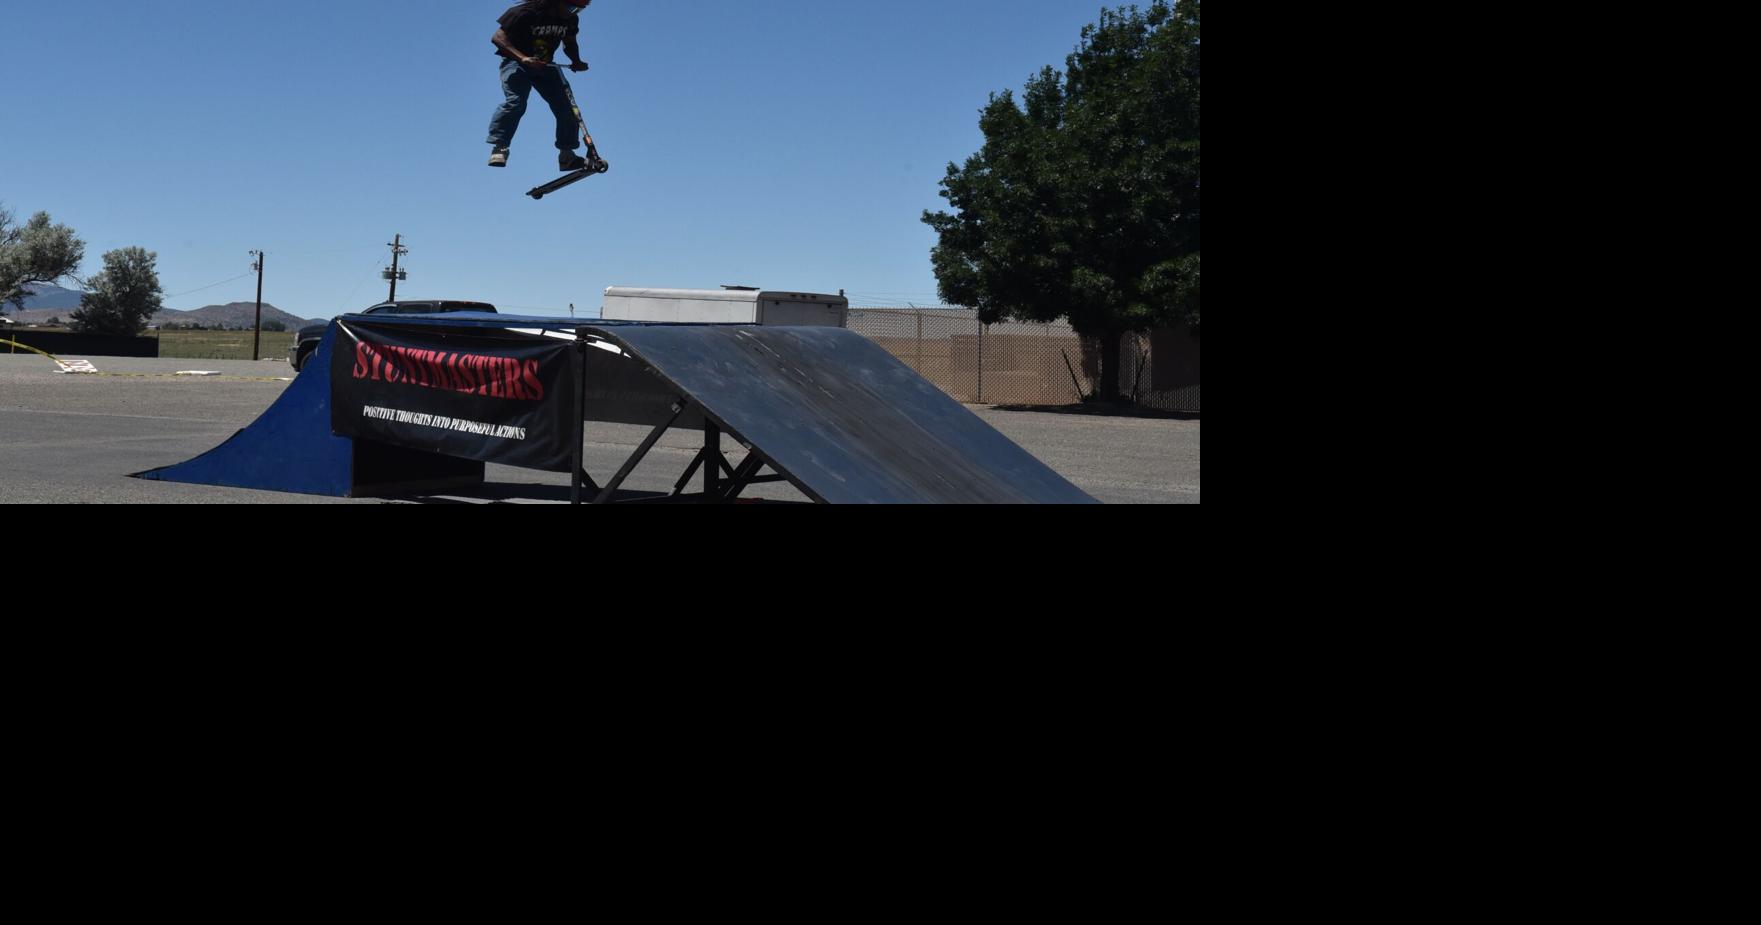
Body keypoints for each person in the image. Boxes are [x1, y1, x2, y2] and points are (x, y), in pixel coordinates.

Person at [486, 1, 593, 170]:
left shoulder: (570, 19)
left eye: (579, 10)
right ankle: (500, 147)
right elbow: (497, 37)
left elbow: (570, 42)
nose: (573, 12)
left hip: (545, 66)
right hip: (516, 63)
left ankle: (567, 156)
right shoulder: (524, 12)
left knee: (568, 109)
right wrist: (522, 58)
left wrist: (576, 61)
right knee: (516, 102)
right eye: (571, 7)